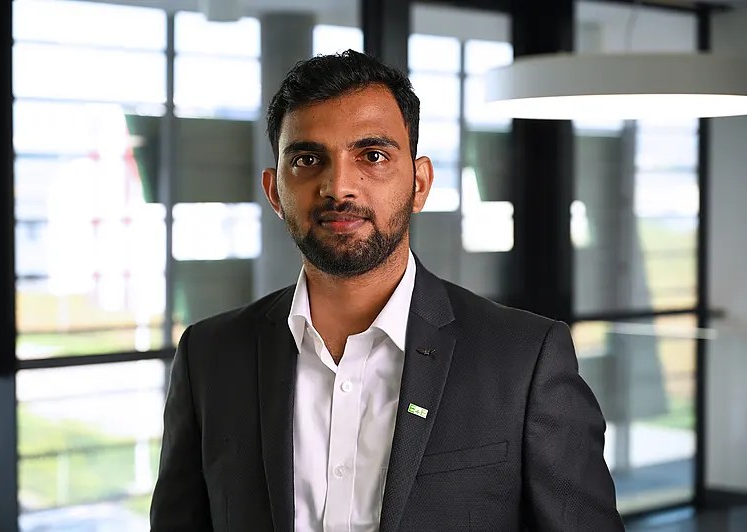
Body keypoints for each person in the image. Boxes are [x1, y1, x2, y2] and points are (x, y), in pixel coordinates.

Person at [149, 49, 625, 532]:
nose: (339, 186)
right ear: (275, 192)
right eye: (308, 159)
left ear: (420, 183)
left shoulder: (523, 359)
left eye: (373, 156)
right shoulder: (209, 357)